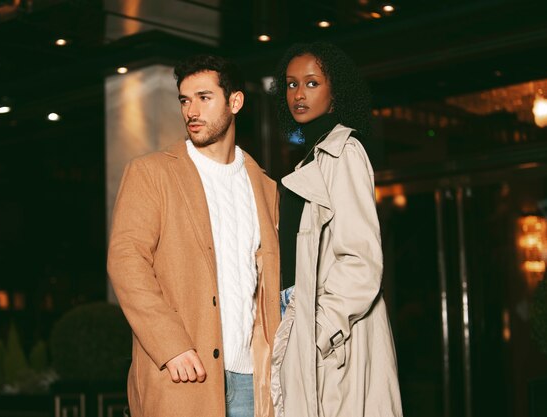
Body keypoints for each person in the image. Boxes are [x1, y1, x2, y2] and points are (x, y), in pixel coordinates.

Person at [107, 54, 281, 417]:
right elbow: (126, 261)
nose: (191, 111)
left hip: (252, 378)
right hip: (183, 375)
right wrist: (170, 345)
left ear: (235, 102)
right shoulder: (151, 173)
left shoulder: (264, 186)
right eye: (185, 100)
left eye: (204, 97)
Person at [270, 42, 403, 417]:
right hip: (300, 314)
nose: (299, 94)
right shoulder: (310, 159)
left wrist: (319, 331)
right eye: (292, 85)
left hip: (332, 329)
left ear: (335, 91)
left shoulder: (343, 152)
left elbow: (361, 261)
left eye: (312, 83)